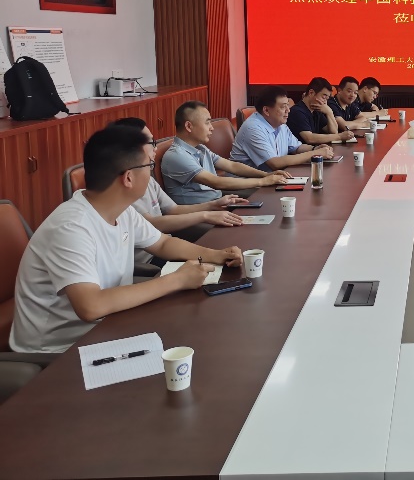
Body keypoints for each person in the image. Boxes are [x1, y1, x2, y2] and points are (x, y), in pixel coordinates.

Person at [10, 125, 243, 353]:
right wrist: (177, 280)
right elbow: (91, 306)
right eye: (149, 166)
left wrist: (216, 255)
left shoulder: (121, 210)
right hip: (60, 350)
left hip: (109, 325)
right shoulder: (71, 227)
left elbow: (162, 243)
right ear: (128, 178)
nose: (151, 173)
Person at [111, 117, 245, 266]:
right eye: (151, 142)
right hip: (149, 261)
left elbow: (172, 212)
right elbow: (152, 224)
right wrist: (206, 215)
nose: (155, 148)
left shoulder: (146, 178)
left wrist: (213, 205)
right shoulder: (124, 190)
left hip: (164, 247)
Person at [162, 101, 291, 205]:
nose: (211, 127)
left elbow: (232, 166)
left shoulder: (200, 148)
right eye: (207, 122)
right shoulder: (176, 156)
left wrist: (266, 175)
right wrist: (263, 181)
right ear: (189, 126)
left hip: (218, 202)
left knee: (270, 200)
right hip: (199, 213)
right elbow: (216, 182)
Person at [231, 85, 333, 170]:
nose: (288, 110)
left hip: (273, 178)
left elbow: (296, 148)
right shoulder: (253, 128)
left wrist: (316, 148)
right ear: (266, 110)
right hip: (249, 183)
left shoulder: (280, 124)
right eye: (283, 106)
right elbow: (275, 163)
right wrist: (315, 154)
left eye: (288, 105)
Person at [287, 77, 354, 144]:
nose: (325, 102)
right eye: (324, 97)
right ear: (311, 93)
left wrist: (329, 112)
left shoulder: (317, 110)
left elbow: (333, 132)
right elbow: (309, 138)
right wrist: (340, 136)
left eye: (327, 99)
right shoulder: (297, 112)